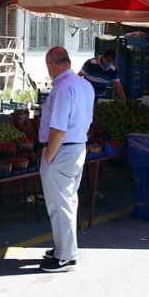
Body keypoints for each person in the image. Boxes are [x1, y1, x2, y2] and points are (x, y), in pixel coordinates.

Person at [38, 46, 94, 272]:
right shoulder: (84, 84)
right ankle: (64, 247)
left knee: (59, 205)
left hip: (61, 151)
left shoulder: (62, 88)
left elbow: (58, 128)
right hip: (77, 147)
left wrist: (48, 157)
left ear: (51, 63)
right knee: (68, 201)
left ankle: (66, 257)